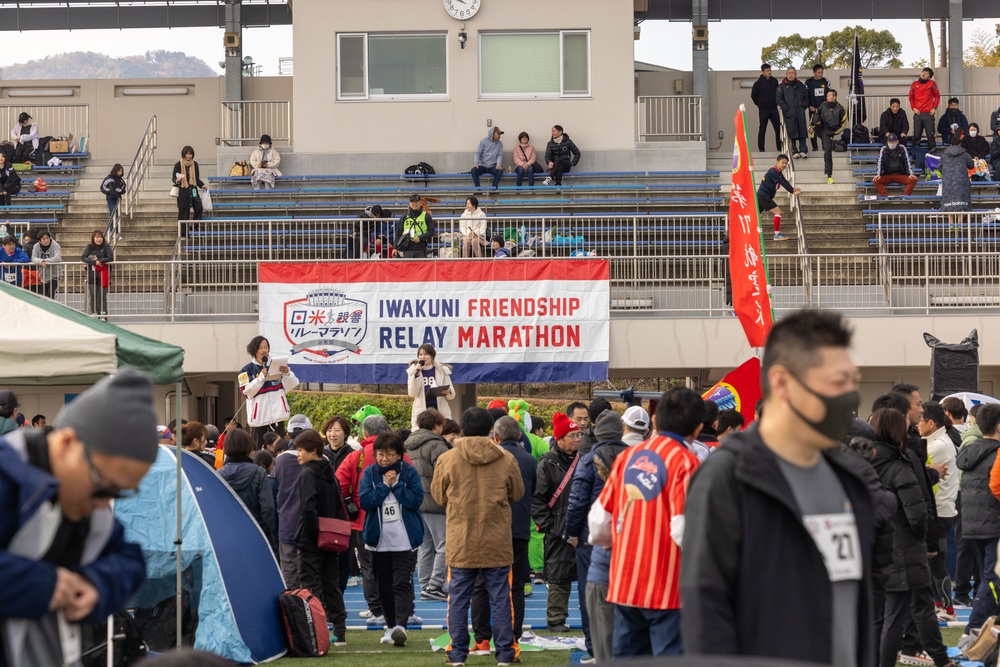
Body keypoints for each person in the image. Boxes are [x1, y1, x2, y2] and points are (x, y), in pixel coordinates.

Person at [681, 309, 876, 665]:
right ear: (783, 383)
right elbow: (706, 617)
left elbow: (858, 605)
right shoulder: (729, 477)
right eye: (836, 382)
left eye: (852, 381)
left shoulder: (850, 481)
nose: (849, 396)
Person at [0, 369, 157, 666]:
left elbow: (130, 560)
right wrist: (40, 584)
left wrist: (96, 585)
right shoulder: (8, 478)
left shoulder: (84, 503)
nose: (104, 505)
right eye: (103, 487)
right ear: (66, 444)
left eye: (119, 494)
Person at [589, 388, 702, 658]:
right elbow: (684, 529)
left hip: (625, 581)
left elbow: (599, 520)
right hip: (668, 587)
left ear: (655, 421)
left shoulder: (628, 457)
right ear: (697, 429)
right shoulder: (687, 462)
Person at [431, 408, 524, 667]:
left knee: (458, 600)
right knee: (501, 598)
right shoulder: (506, 458)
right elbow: (517, 493)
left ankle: (457, 654)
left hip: (461, 539)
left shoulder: (448, 459)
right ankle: (506, 653)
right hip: (497, 539)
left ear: (462, 429)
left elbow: (438, 497)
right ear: (490, 429)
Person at [869, 408, 954, 667]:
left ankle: (936, 658)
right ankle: (935, 658)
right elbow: (917, 512)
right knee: (902, 613)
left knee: (884, 616)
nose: (915, 424)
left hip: (876, 547)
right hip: (903, 548)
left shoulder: (865, 463)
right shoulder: (900, 465)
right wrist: (923, 539)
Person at [469, 416, 536, 659]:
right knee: (516, 585)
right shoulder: (528, 460)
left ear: (495, 437)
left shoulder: (490, 459)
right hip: (518, 530)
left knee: (481, 584)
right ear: (519, 436)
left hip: (490, 529)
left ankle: (482, 638)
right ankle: (513, 636)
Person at [565, 410, 627, 661]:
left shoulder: (588, 459)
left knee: (590, 594)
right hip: (627, 535)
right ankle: (622, 645)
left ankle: (595, 647)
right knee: (624, 592)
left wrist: (571, 533)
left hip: (592, 536)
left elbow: (577, 501)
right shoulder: (635, 457)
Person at [358, 432, 424, 648]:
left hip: (404, 539)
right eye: (380, 454)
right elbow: (366, 501)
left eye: (389, 454)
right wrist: (385, 486)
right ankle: (389, 625)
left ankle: (400, 627)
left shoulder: (409, 473)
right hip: (378, 540)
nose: (384, 459)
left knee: (401, 582)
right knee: (383, 585)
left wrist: (396, 486)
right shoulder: (369, 473)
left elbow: (416, 501)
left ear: (400, 455)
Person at [294, 428, 349, 646]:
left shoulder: (308, 473)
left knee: (310, 586)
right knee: (331, 585)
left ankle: (316, 631)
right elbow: (338, 505)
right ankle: (340, 630)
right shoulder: (329, 471)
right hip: (330, 538)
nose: (298, 454)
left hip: (311, 539)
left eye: (300, 450)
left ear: (313, 450)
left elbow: (308, 509)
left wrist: (312, 533)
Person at [531, 412, 580, 632]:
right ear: (559, 439)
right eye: (572, 435)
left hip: (583, 527)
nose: (577, 439)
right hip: (558, 530)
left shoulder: (585, 459)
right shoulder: (547, 463)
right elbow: (538, 499)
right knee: (559, 577)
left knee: (588, 576)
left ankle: (590, 618)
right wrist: (551, 526)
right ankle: (556, 619)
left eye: (578, 434)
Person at [957, 403, 1000, 654]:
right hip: (992, 524)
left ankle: (983, 637)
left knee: (989, 578)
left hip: (975, 523)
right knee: (991, 580)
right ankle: (971, 634)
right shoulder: (995, 454)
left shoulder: (971, 451)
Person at [404, 409, 451, 602]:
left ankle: (425, 584)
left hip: (416, 501)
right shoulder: (436, 445)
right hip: (435, 501)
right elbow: (446, 473)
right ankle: (435, 584)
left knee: (424, 546)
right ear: (437, 426)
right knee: (444, 545)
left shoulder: (409, 445)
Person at [920, 401, 959, 621]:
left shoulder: (939, 445)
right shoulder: (933, 440)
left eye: (920, 420)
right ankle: (938, 604)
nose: (917, 424)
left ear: (931, 423)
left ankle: (948, 609)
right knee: (931, 561)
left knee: (936, 562)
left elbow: (914, 468)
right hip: (938, 509)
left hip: (940, 512)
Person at [219, 428, 277, 547]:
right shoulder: (259, 472)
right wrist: (266, 531)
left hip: (227, 534)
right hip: (256, 532)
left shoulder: (217, 475)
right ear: (249, 447)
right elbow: (268, 507)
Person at [238, 335, 299, 447]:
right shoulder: (246, 370)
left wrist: (287, 373)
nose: (264, 350)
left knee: (279, 447)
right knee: (258, 448)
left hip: (277, 416)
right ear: (254, 350)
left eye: (266, 347)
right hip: (259, 419)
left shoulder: (277, 364)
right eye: (260, 348)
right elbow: (246, 392)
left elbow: (293, 384)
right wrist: (260, 378)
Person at [406, 343, 454, 430]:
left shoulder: (442, 370)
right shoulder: (413, 371)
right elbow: (412, 393)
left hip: (439, 409)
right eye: (420, 354)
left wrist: (448, 392)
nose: (423, 357)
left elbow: (452, 395)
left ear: (432, 356)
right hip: (422, 410)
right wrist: (416, 375)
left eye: (426, 354)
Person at [756, 153, 799, 242]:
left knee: (754, 216)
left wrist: (793, 189)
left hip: (763, 196)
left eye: (786, 163)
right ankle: (776, 235)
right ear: (777, 162)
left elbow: (784, 181)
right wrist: (792, 191)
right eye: (782, 163)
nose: (784, 165)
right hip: (764, 196)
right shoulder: (773, 171)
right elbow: (781, 182)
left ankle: (745, 234)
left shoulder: (778, 172)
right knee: (778, 212)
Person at [909, 68, 941, 169]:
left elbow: (937, 96)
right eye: (923, 72)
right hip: (918, 113)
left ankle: (932, 153)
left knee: (930, 134)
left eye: (927, 73)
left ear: (929, 76)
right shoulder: (914, 84)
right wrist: (913, 108)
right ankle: (915, 152)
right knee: (917, 134)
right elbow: (911, 97)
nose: (924, 74)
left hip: (928, 113)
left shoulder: (932, 84)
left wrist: (934, 107)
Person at [815, 89, 847, 185]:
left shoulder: (841, 108)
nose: (827, 97)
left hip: (830, 132)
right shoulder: (823, 105)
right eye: (827, 95)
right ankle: (813, 132)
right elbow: (816, 115)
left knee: (827, 152)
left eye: (829, 96)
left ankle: (829, 176)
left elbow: (844, 123)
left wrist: (834, 132)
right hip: (821, 129)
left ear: (834, 97)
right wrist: (813, 125)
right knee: (815, 118)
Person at [777, 67, 809, 158]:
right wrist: (786, 108)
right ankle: (794, 150)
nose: (791, 75)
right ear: (786, 74)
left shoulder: (801, 85)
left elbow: (806, 97)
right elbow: (779, 99)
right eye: (789, 73)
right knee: (792, 131)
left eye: (792, 73)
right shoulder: (781, 87)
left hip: (800, 112)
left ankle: (803, 150)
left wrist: (804, 105)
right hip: (789, 113)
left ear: (796, 74)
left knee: (802, 130)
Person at [874, 133, 918, 197]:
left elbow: (907, 161)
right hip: (887, 174)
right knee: (876, 180)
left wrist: (910, 174)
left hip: (900, 174)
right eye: (890, 141)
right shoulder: (884, 149)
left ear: (897, 141)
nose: (892, 143)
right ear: (887, 141)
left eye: (893, 141)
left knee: (913, 179)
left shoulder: (902, 148)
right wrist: (878, 174)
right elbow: (880, 162)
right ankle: (885, 197)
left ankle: (905, 197)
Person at [941, 135, 974, 217]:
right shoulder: (964, 154)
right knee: (961, 202)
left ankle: (951, 224)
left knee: (949, 203)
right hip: (961, 181)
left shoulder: (944, 155)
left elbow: (939, 167)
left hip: (948, 182)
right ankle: (959, 224)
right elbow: (971, 165)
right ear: (959, 144)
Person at [393, 194, 436, 259]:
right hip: (406, 248)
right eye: (412, 202)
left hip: (421, 248)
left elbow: (431, 231)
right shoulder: (404, 216)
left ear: (420, 203)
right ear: (409, 203)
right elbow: (398, 233)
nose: (414, 204)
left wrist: (420, 237)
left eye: (416, 201)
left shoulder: (426, 216)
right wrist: (395, 247)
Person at [81, 230, 112, 316]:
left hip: (103, 275)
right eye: (97, 237)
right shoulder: (89, 247)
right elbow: (83, 257)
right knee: (93, 297)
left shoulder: (106, 246)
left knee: (102, 297)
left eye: (100, 237)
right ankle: (94, 314)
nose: (99, 239)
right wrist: (93, 262)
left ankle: (103, 316)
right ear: (93, 238)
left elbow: (110, 258)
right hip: (92, 275)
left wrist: (99, 260)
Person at [172, 145, 208, 223]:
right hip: (183, 191)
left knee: (199, 208)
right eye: (187, 154)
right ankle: (183, 232)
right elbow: (173, 178)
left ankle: (195, 227)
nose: (189, 156)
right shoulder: (178, 165)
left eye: (190, 154)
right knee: (184, 213)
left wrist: (203, 186)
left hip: (193, 190)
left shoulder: (195, 164)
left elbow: (196, 178)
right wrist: (177, 180)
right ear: (183, 154)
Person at [751, 63, 781, 153]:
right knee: (762, 128)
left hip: (773, 108)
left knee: (778, 128)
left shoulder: (774, 81)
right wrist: (760, 104)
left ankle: (779, 147)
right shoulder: (758, 83)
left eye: (770, 70)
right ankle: (761, 148)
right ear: (762, 72)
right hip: (763, 109)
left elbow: (778, 93)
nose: (769, 72)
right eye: (767, 71)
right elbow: (753, 96)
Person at [31, 229, 62, 299]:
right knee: (44, 295)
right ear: (39, 241)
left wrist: (44, 261)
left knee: (51, 293)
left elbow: (57, 258)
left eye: (47, 238)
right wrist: (40, 262)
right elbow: (33, 257)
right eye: (44, 239)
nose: (46, 240)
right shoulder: (36, 246)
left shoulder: (55, 245)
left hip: (55, 274)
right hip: (43, 275)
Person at [806, 64, 829, 152]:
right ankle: (814, 147)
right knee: (812, 128)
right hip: (812, 110)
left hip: (823, 110)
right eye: (818, 72)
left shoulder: (826, 81)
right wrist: (809, 106)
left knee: (824, 128)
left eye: (821, 72)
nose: (820, 74)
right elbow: (806, 96)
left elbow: (829, 95)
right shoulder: (808, 82)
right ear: (814, 72)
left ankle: (824, 146)